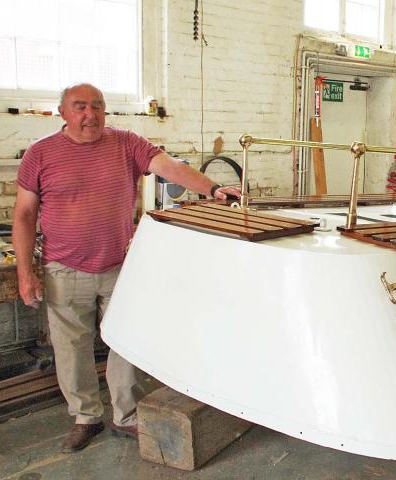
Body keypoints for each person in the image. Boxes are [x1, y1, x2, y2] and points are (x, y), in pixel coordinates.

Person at [12, 83, 241, 453]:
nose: (91, 114)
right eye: (80, 106)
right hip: (63, 268)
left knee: (126, 341)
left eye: (98, 106)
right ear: (63, 113)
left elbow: (171, 167)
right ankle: (86, 417)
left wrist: (212, 189)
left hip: (120, 265)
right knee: (71, 348)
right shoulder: (40, 154)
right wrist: (25, 270)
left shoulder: (126, 144)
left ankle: (127, 414)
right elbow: (23, 214)